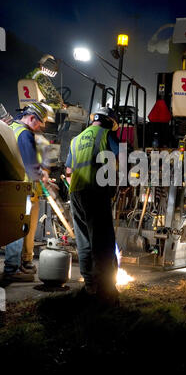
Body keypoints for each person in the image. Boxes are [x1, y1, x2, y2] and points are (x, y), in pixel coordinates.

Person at [65, 107, 120, 304]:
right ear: (109, 122)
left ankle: (90, 286)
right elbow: (118, 159)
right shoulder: (107, 135)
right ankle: (105, 291)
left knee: (84, 241)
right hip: (96, 192)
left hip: (76, 192)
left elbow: (69, 169)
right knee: (103, 241)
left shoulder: (76, 139)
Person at [3, 102, 50, 281]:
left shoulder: (11, 127)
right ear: (31, 118)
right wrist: (43, 175)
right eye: (39, 123)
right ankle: (12, 269)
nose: (39, 128)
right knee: (18, 227)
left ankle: (19, 264)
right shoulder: (25, 134)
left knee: (13, 226)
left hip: (10, 186)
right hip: (23, 188)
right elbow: (31, 167)